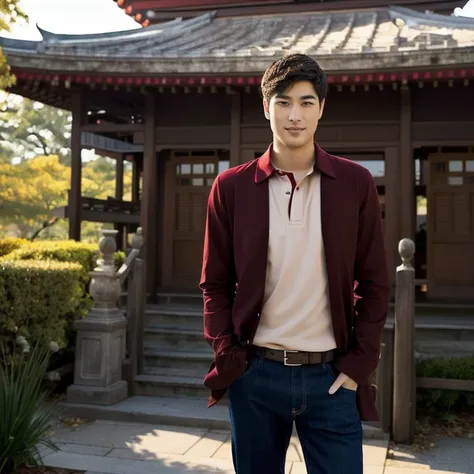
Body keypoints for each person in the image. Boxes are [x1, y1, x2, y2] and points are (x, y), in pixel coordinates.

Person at [199, 53, 390, 474]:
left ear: (321, 109)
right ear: (266, 108)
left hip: (331, 378)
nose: (295, 115)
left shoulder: (355, 183)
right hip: (256, 375)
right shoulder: (231, 188)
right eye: (283, 102)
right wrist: (228, 354)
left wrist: (359, 365)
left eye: (306, 102)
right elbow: (214, 283)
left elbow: (376, 282)